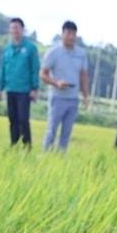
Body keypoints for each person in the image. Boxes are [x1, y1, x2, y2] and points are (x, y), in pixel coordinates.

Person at [41, 21, 89, 152]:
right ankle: (45, 156)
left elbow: (83, 75)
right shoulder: (53, 52)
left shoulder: (81, 53)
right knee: (51, 130)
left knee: (66, 133)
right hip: (58, 97)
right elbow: (43, 74)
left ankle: (61, 159)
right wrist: (56, 82)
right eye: (68, 33)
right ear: (62, 34)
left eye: (73, 34)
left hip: (73, 98)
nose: (71, 37)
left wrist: (85, 96)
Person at [0, 17, 40, 148]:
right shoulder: (7, 49)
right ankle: (13, 144)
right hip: (10, 88)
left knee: (23, 119)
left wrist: (34, 88)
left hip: (24, 90)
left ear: (22, 29)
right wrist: (0, 88)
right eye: (12, 28)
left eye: (17, 28)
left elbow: (34, 68)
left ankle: (27, 146)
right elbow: (2, 69)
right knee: (12, 119)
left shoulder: (30, 48)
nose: (14, 30)